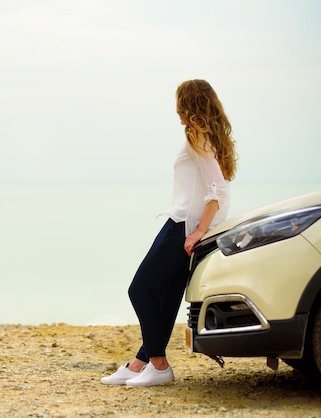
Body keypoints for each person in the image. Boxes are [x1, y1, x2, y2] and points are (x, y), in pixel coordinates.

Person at [101, 79, 237, 387]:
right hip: (189, 226)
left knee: (140, 290)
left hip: (183, 227)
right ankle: (139, 364)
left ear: (187, 105)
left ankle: (159, 365)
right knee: (165, 296)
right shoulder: (212, 138)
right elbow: (219, 190)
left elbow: (216, 192)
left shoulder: (196, 136)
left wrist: (199, 230)